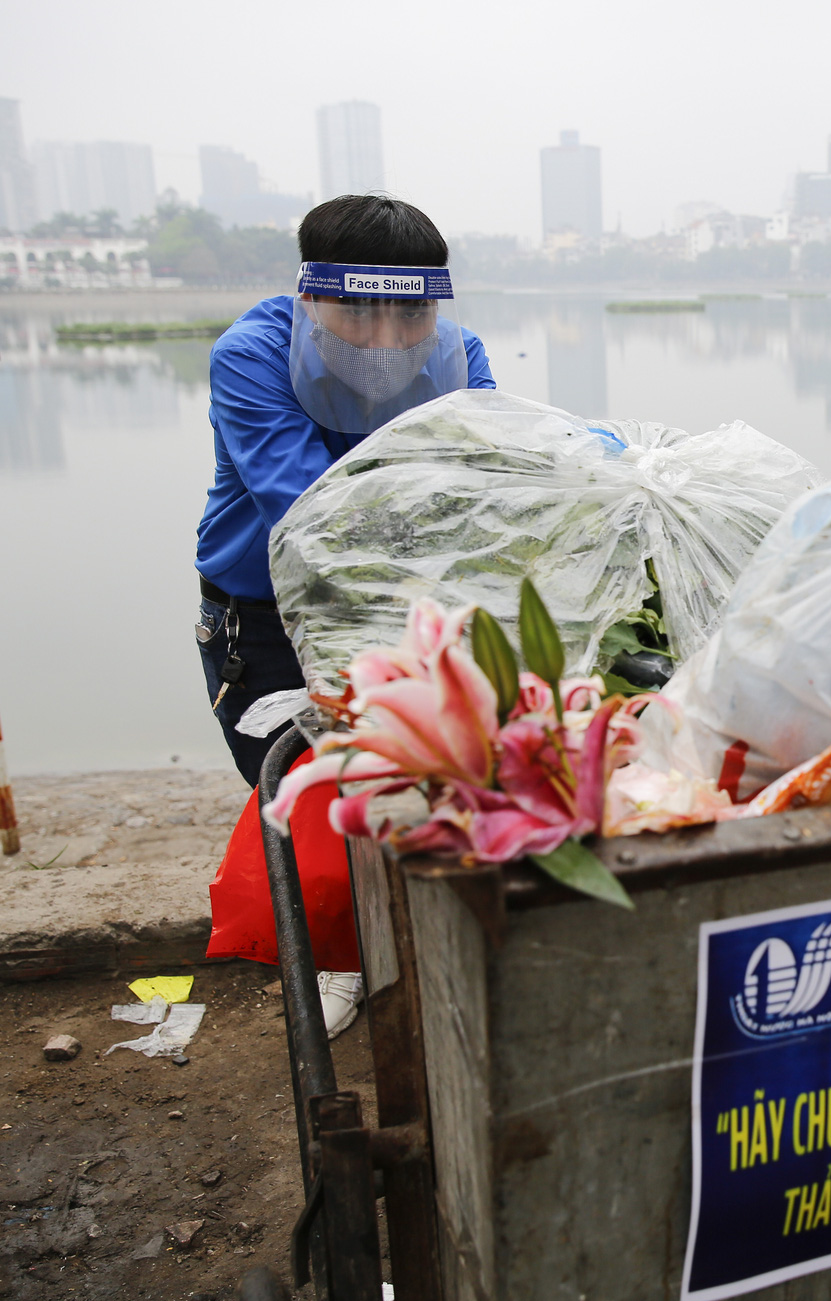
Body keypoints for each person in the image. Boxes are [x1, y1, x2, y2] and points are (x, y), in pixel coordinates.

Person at [194, 194, 495, 1036]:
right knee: (304, 790)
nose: (389, 341)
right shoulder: (252, 356)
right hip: (265, 613)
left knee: (412, 781)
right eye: (361, 312)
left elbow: (490, 476)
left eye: (411, 314)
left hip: (408, 602)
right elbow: (306, 509)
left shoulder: (460, 357)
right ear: (312, 297)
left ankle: (410, 945)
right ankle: (335, 956)